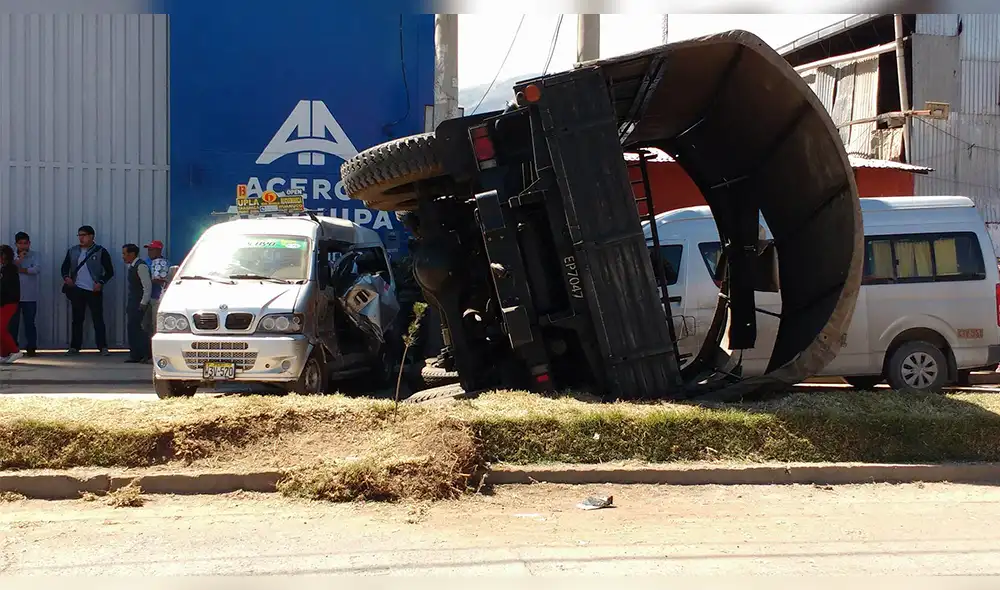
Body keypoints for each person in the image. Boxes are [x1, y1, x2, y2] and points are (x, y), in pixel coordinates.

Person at [60, 225, 114, 355]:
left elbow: (109, 271)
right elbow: (64, 267)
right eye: (79, 235)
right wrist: (67, 277)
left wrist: (101, 282)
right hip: (77, 289)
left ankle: (102, 347)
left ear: (91, 236)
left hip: (93, 290)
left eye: (83, 235)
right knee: (77, 319)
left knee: (98, 319)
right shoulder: (73, 251)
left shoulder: (100, 251)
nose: (81, 238)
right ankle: (74, 346)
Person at [10, 232, 40, 357]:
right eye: (20, 243)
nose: (23, 246)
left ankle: (31, 347)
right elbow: (9, 269)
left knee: (29, 322)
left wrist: (21, 270)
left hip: (30, 295)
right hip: (13, 296)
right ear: (16, 244)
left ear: (29, 243)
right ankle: (13, 348)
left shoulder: (35, 255)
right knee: (13, 323)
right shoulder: (10, 257)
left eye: (25, 243)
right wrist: (19, 260)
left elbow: (36, 269)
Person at [122, 244, 152, 363]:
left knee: (139, 330)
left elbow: (147, 286)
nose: (123, 256)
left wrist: (143, 303)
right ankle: (135, 354)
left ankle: (145, 354)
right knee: (132, 329)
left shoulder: (141, 267)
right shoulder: (133, 266)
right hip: (133, 302)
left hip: (139, 303)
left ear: (132, 254)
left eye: (125, 253)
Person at [0, 244, 23, 364]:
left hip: (8, 303)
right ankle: (3, 354)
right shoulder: (6, 268)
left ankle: (14, 351)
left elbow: (6, 288)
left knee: (1, 329)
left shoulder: (9, 269)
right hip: (5, 302)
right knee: (2, 329)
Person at [143, 240, 170, 337]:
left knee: (156, 324)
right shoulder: (145, 263)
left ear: (159, 250)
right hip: (145, 299)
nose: (149, 252)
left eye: (152, 250)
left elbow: (169, 281)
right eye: (148, 250)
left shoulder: (165, 264)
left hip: (157, 298)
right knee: (144, 325)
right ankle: (144, 349)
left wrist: (160, 280)